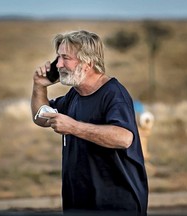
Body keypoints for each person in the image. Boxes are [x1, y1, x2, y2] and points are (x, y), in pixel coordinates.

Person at [31, 30, 148, 215]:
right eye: (58, 58)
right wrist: (39, 86)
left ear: (88, 62)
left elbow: (124, 138)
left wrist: (74, 127)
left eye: (65, 58)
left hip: (115, 205)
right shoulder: (74, 95)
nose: (59, 64)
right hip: (78, 202)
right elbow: (41, 117)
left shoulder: (113, 94)